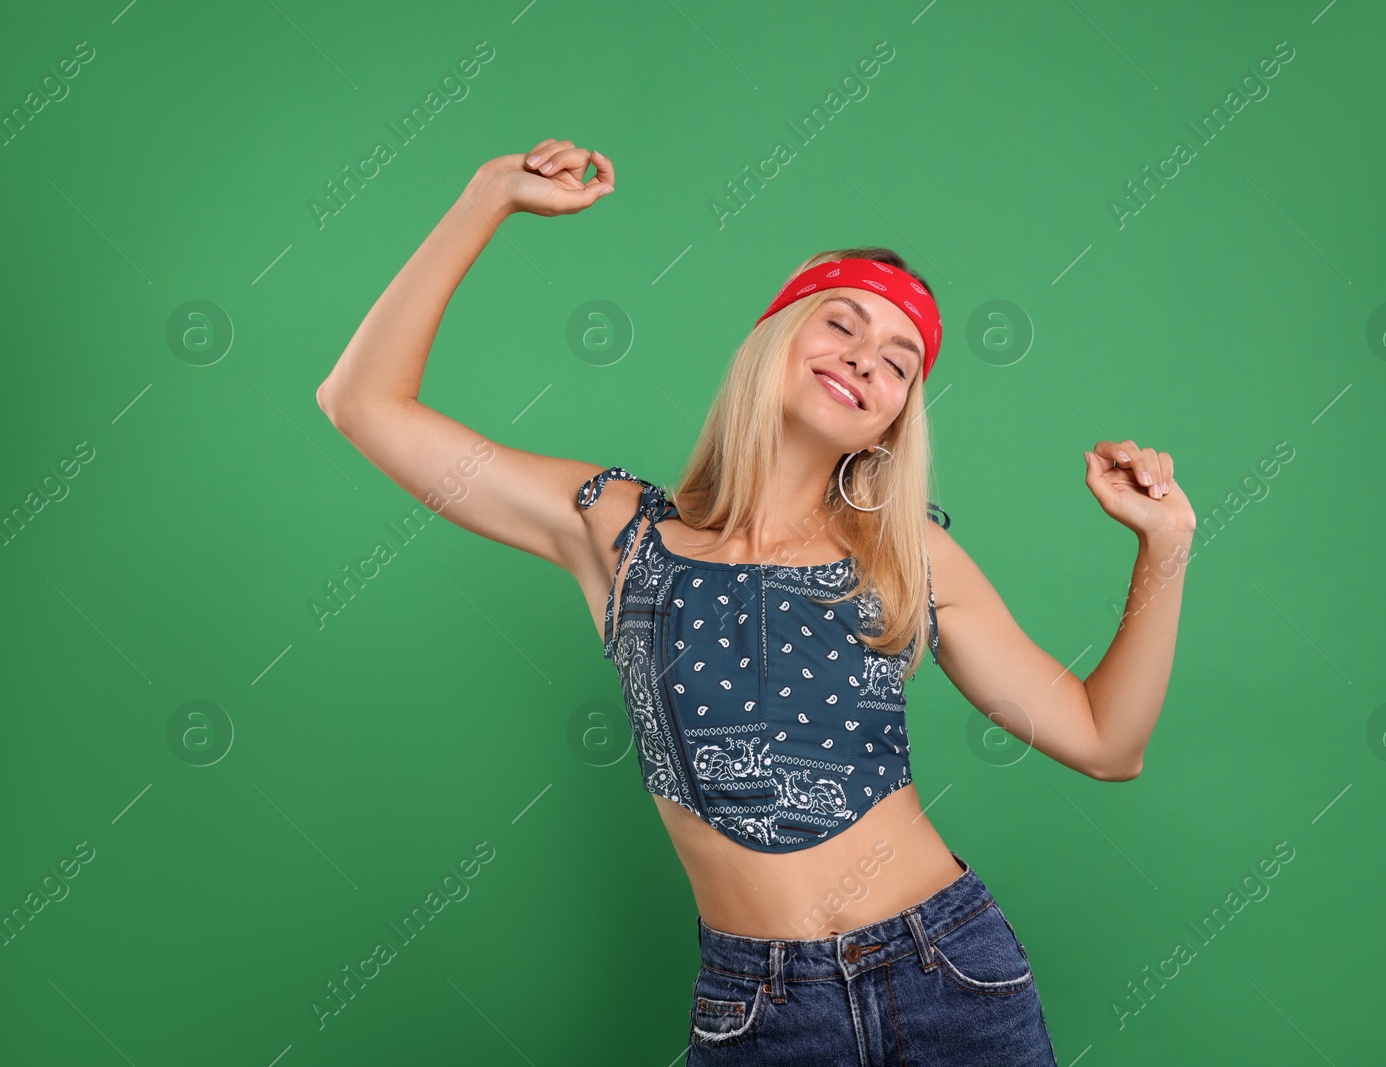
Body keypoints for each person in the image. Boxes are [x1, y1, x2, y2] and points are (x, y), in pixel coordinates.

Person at [316, 138, 1196, 1066]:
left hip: (951, 977)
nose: (865, 361)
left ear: (896, 417)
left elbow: (1108, 742)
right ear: (778, 334)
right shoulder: (615, 530)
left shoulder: (908, 556)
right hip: (756, 1009)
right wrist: (486, 196)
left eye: (899, 361)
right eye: (843, 323)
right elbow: (362, 402)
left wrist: (1164, 548)